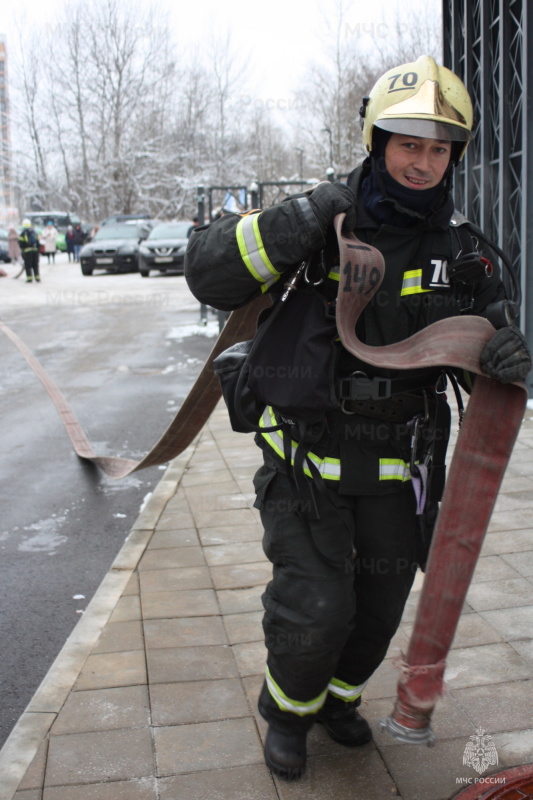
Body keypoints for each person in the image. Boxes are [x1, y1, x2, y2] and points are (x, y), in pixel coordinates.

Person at [185, 56, 531, 781]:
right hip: (307, 462)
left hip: (395, 468)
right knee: (314, 609)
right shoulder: (319, 225)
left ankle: (337, 701)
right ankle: (286, 711)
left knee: (375, 611)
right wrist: (302, 216)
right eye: (408, 144)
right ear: (377, 142)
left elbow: (493, 329)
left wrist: (503, 350)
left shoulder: (463, 251)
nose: (421, 162)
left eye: (438, 149)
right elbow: (208, 272)